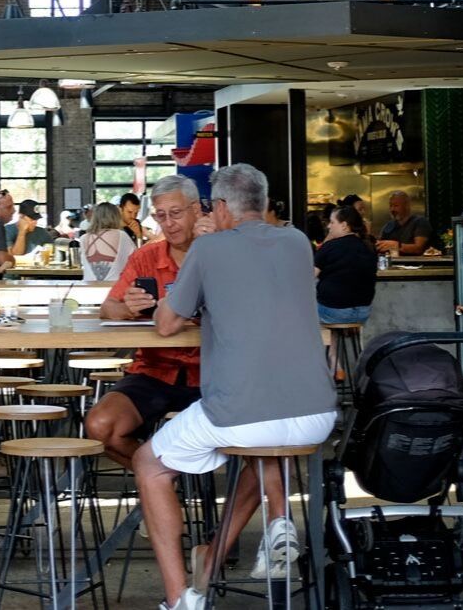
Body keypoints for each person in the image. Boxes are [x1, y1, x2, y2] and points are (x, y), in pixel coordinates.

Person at [138, 164, 337, 610]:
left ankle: (180, 601)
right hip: (317, 415)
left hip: (244, 412)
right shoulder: (298, 242)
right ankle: (277, 519)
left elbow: (167, 323)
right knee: (260, 441)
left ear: (220, 207)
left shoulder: (208, 249)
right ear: (264, 203)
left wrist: (201, 256)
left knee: (148, 465)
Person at [84, 175, 207, 472]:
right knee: (101, 427)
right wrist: (127, 307)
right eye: (160, 216)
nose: (169, 223)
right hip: (154, 371)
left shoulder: (224, 252)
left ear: (197, 210)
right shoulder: (146, 257)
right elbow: (107, 309)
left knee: (267, 432)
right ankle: (163, 480)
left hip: (215, 374)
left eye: (176, 214)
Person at [314, 204, 377, 324]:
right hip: (363, 312)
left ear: (344, 226)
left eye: (332, 222)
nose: (328, 226)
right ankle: (334, 341)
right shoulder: (369, 247)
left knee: (300, 309)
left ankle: (324, 342)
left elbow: (309, 276)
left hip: (333, 312)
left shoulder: (330, 247)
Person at [80, 201, 137, 283]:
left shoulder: (83, 238)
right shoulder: (122, 235)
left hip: (89, 289)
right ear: (116, 217)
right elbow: (135, 259)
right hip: (116, 289)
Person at [375, 191, 433, 256]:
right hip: (394, 264)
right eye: (391, 206)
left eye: (396, 206)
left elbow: (419, 248)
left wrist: (397, 246)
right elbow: (379, 245)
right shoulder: (389, 225)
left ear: (407, 206)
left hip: (417, 264)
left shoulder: (420, 222)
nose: (392, 209)